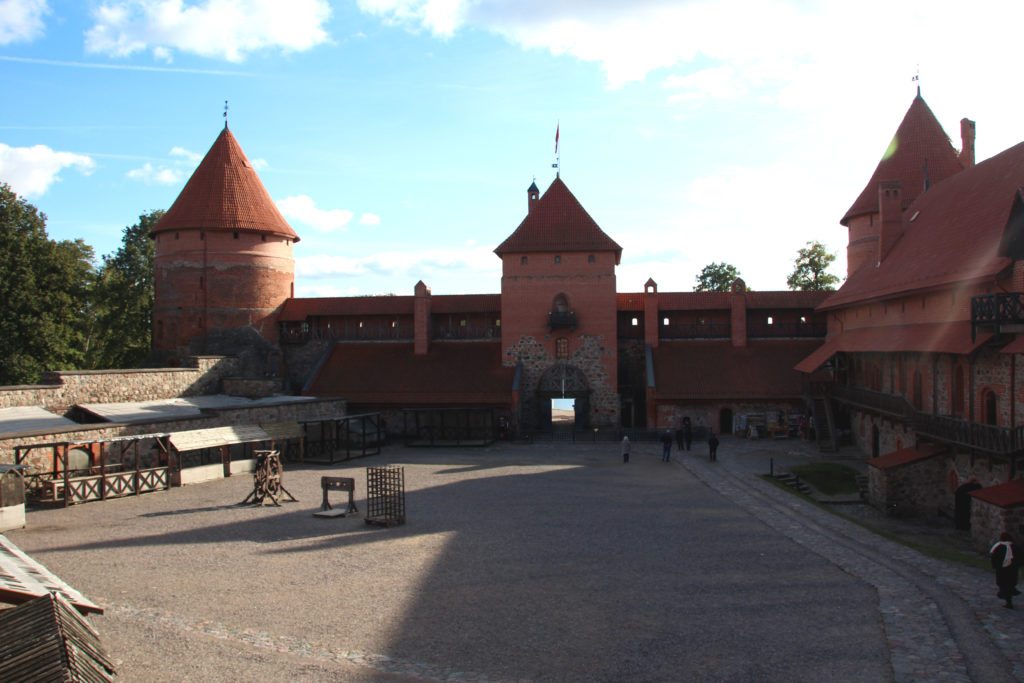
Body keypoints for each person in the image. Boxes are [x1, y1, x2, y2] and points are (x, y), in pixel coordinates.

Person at [990, 532, 1022, 609]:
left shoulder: (998, 547)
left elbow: (993, 557)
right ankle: (1009, 595)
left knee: (1004, 584)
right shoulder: (1015, 547)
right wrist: (1018, 565)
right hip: (1012, 569)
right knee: (1010, 584)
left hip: (1002, 570)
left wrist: (994, 566)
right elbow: (1021, 557)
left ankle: (1006, 598)